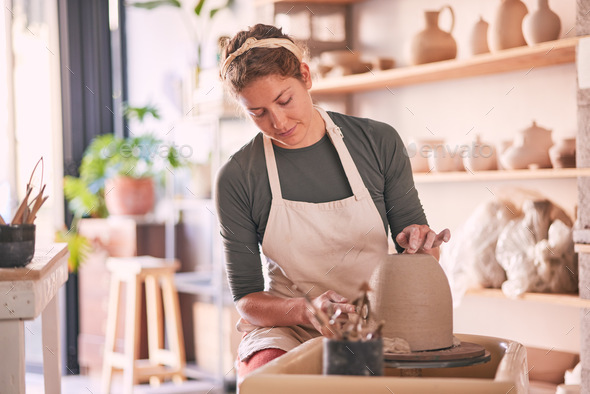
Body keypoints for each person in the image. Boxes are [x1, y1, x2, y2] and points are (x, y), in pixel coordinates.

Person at [215, 23, 451, 383]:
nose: (277, 122)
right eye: (257, 113)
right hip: (287, 327)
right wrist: (307, 312)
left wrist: (422, 244)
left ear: (305, 76)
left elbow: (417, 254)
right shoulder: (238, 176)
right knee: (268, 382)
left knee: (360, 384)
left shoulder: (377, 142)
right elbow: (247, 300)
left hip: (370, 325)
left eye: (284, 100)